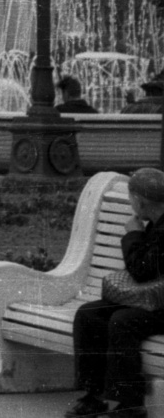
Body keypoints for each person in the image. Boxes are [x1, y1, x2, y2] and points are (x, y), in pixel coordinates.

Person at [66, 167, 164, 417]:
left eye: (131, 199)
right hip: (153, 300)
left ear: (139, 202)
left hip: (160, 306)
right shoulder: (155, 222)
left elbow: (141, 270)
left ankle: (130, 405)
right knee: (89, 314)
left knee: (123, 321)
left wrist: (133, 233)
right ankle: (94, 396)